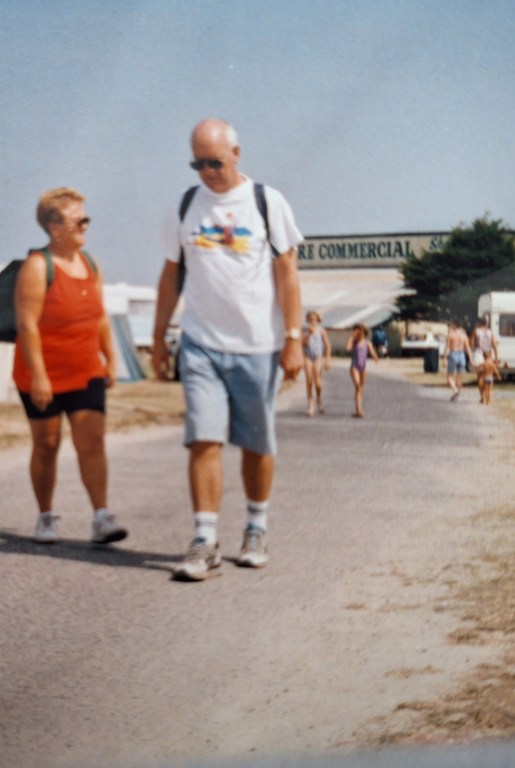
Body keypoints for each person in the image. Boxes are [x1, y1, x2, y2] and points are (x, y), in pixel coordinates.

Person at [151, 118, 303, 582]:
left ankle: (256, 528)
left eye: (215, 162)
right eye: (198, 164)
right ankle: (204, 540)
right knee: (203, 438)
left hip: (258, 345)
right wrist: (158, 337)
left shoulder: (266, 202)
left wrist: (294, 338)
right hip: (201, 343)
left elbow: (287, 273)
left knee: (256, 444)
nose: (207, 172)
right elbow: (171, 275)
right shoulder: (185, 205)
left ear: (236, 154)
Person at [13, 187, 126, 546]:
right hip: (42, 373)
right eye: (79, 221)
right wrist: (40, 377)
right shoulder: (37, 266)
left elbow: (100, 316)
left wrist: (111, 358)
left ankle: (102, 516)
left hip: (86, 370)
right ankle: (46, 516)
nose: (85, 227)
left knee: (92, 441)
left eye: (86, 219)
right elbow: (27, 325)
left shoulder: (91, 264)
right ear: (54, 226)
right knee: (47, 444)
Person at [345, 323, 379, 418]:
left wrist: (375, 357)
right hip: (354, 367)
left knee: (360, 388)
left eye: (359, 330)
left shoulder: (367, 343)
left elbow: (372, 352)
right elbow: (347, 348)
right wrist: (351, 337)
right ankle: (359, 410)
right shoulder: (354, 342)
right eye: (355, 330)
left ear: (363, 332)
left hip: (363, 368)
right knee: (358, 386)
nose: (357, 332)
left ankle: (359, 410)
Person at [301, 311, 331, 416]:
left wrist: (328, 359)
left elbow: (327, 345)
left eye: (314, 319)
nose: (312, 321)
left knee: (317, 381)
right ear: (307, 320)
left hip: (318, 357)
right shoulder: (304, 331)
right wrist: (309, 334)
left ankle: (319, 398)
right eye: (310, 319)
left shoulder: (321, 331)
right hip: (307, 356)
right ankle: (310, 405)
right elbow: (303, 344)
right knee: (309, 381)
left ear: (318, 320)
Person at [445, 321, 471, 401]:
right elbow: (467, 348)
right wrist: (471, 359)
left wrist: (445, 358)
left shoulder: (451, 334)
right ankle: (456, 395)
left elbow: (448, 347)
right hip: (462, 355)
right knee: (459, 377)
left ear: (454, 325)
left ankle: (455, 390)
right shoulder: (464, 335)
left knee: (449, 376)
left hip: (454, 353)